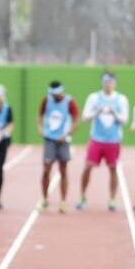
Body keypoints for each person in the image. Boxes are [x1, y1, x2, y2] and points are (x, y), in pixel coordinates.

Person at [76, 71, 129, 212]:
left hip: (113, 140)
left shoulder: (121, 99)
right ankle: (82, 195)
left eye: (111, 81)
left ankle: (112, 199)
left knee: (113, 168)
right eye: (106, 81)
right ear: (102, 82)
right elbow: (85, 117)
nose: (108, 84)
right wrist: (96, 112)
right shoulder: (94, 98)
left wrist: (115, 113)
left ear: (115, 83)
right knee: (88, 167)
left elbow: (125, 120)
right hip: (96, 139)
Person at [36, 80, 80, 213]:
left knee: (63, 170)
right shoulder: (47, 100)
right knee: (46, 169)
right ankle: (44, 200)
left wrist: (67, 134)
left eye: (57, 94)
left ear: (62, 91)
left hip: (63, 140)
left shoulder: (69, 101)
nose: (55, 97)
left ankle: (63, 202)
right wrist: (40, 128)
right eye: (53, 94)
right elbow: (39, 114)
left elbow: (77, 119)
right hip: (49, 139)